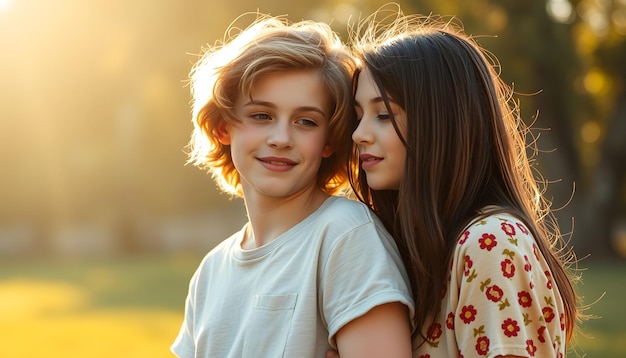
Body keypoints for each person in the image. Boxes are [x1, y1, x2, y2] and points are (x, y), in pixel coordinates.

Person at [331, 10, 581, 358]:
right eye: (358, 117)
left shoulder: (490, 244)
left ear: (441, 122)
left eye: (384, 115)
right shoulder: (422, 249)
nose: (358, 135)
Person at [171, 13, 414, 358]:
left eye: (306, 121)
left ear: (329, 140)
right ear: (224, 127)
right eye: (261, 116)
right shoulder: (210, 272)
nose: (282, 138)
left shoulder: (346, 235)